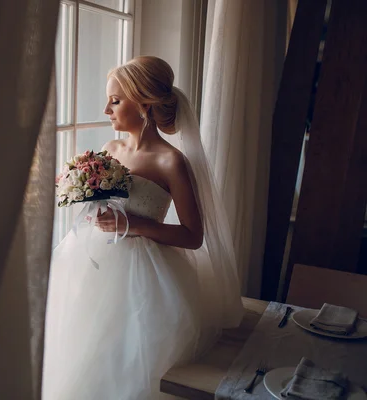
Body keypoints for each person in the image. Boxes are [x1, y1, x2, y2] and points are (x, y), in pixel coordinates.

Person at [42, 56, 243, 400]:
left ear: (145, 104)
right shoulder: (110, 149)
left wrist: (135, 225)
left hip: (145, 275)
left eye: (116, 100)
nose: (106, 108)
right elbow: (100, 204)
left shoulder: (170, 162)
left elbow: (193, 237)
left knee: (130, 361)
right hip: (92, 264)